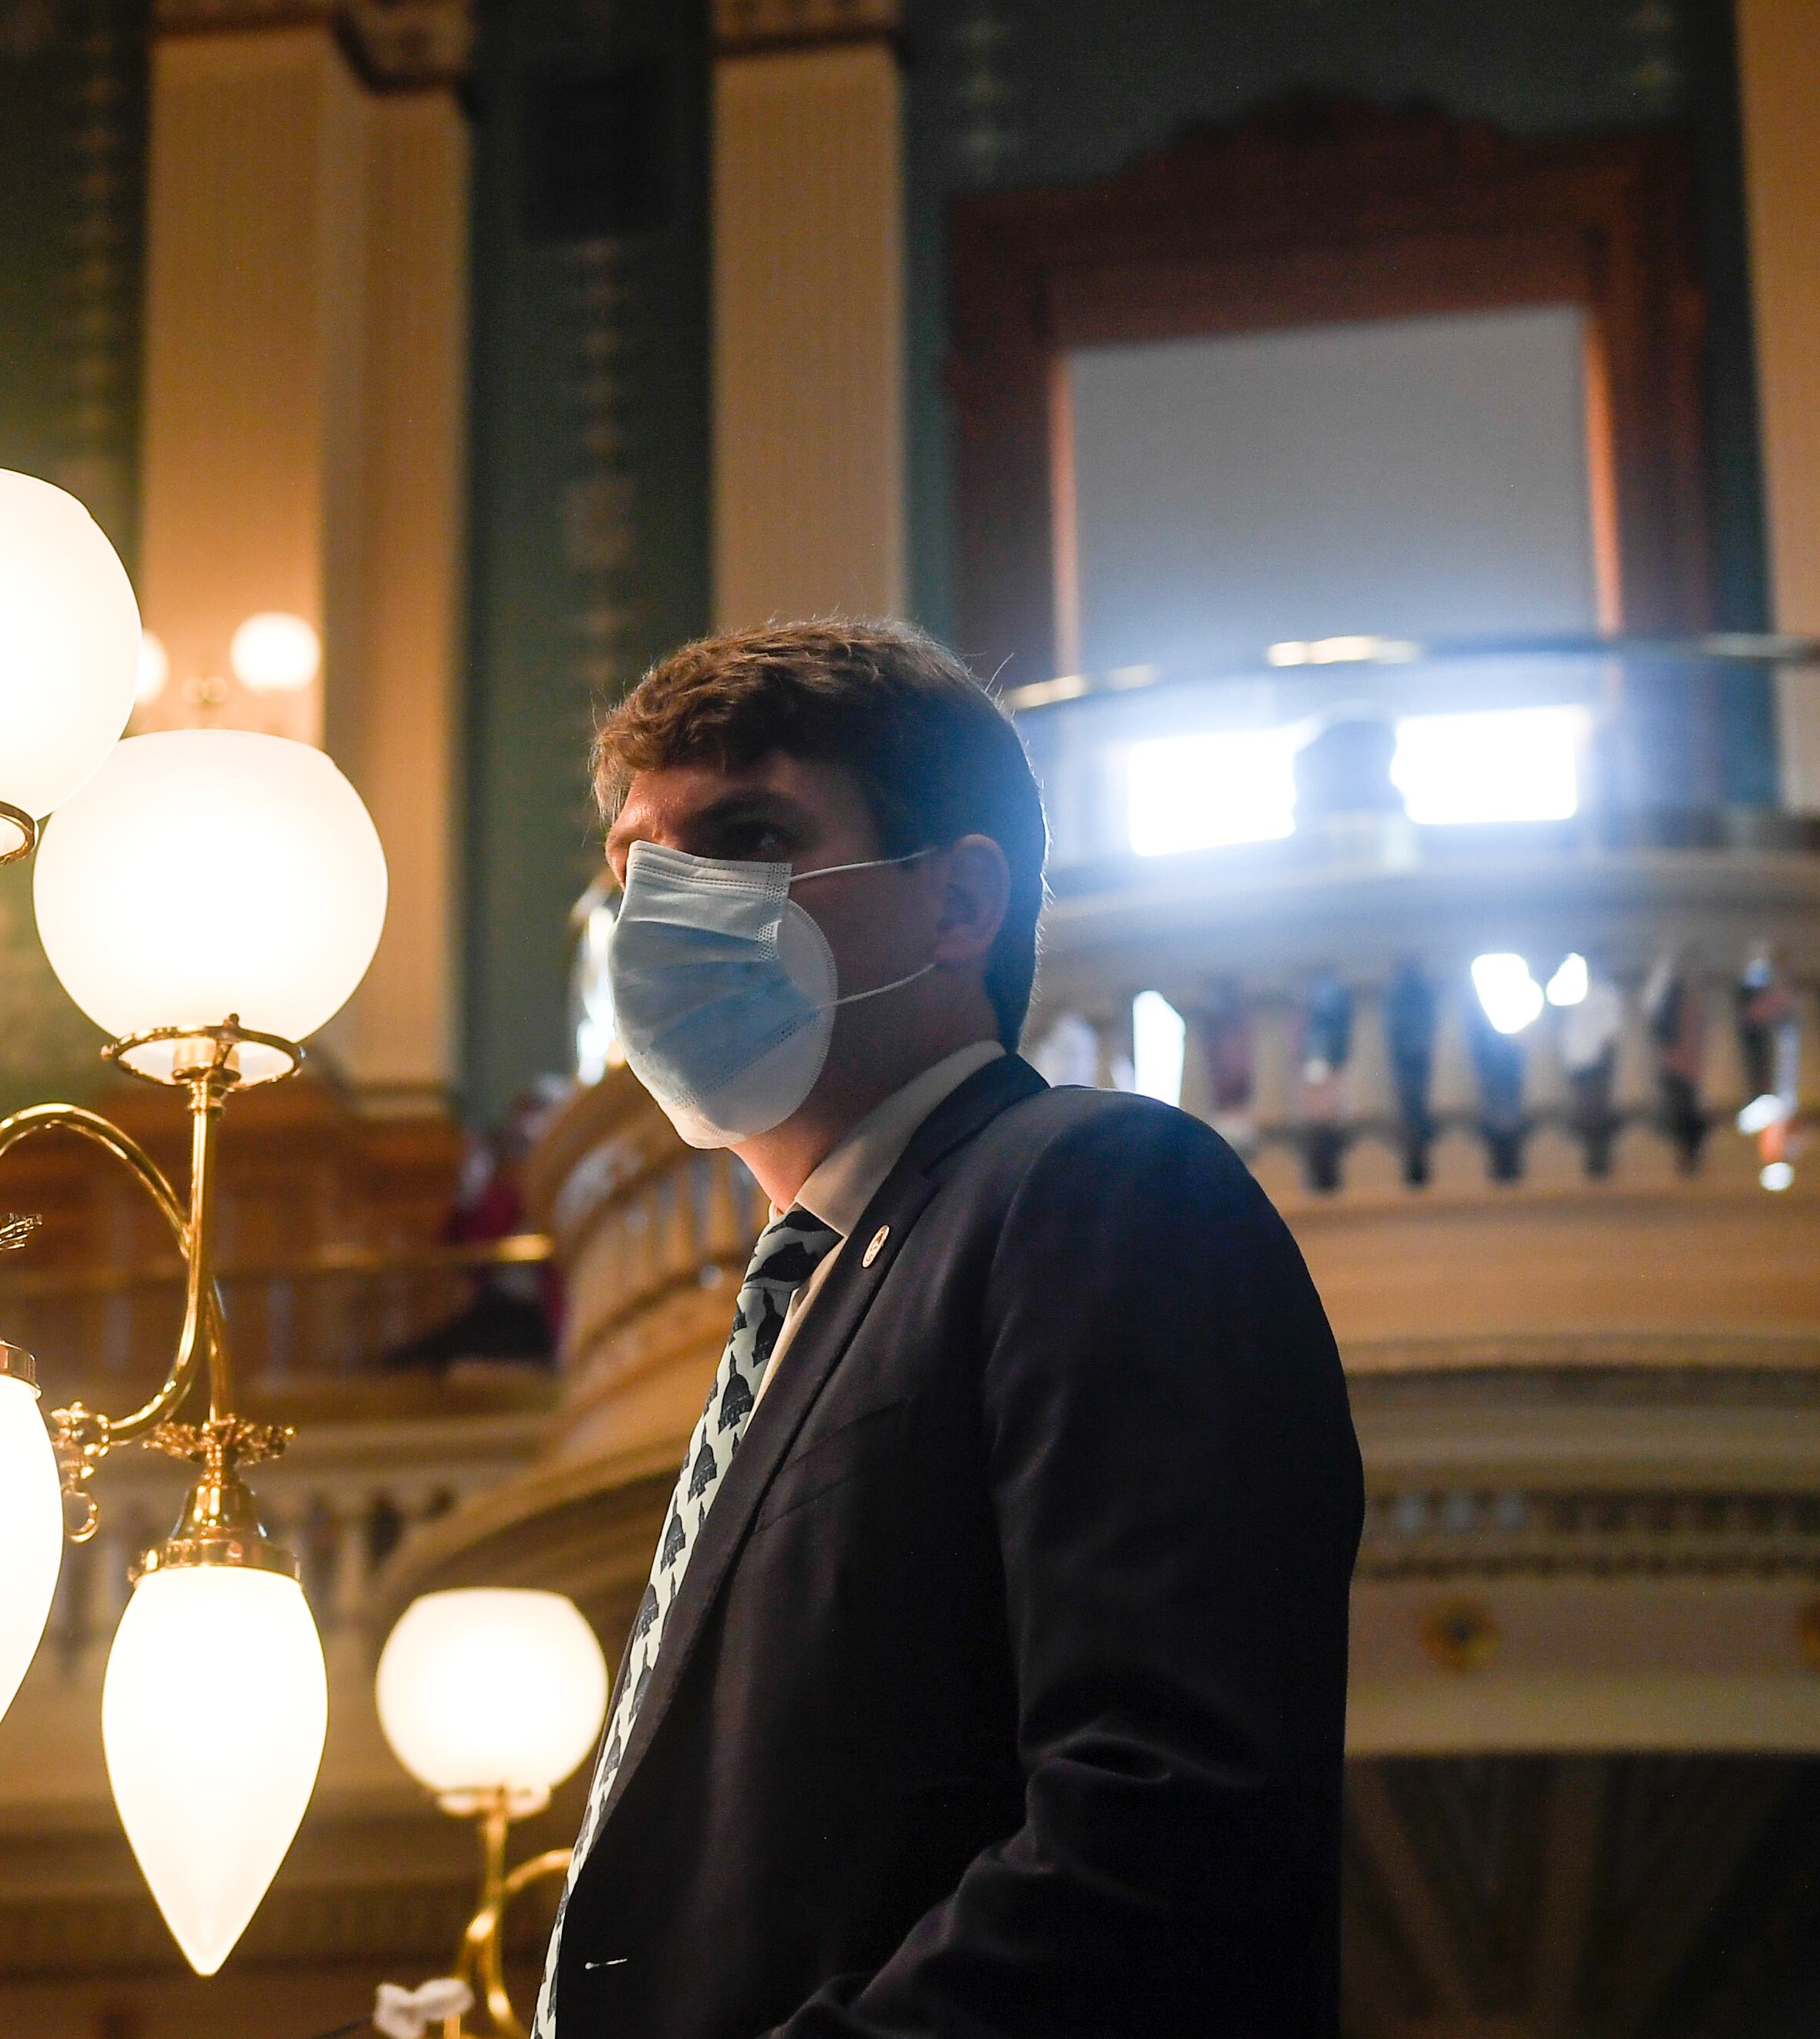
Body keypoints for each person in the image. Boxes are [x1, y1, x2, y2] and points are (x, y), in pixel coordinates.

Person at [535, 620, 1364, 2039]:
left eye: (745, 837)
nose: (668, 914)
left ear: (957, 900)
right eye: (638, 870)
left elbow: (1164, 1819)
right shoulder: (808, 1299)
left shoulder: (1096, 1191)